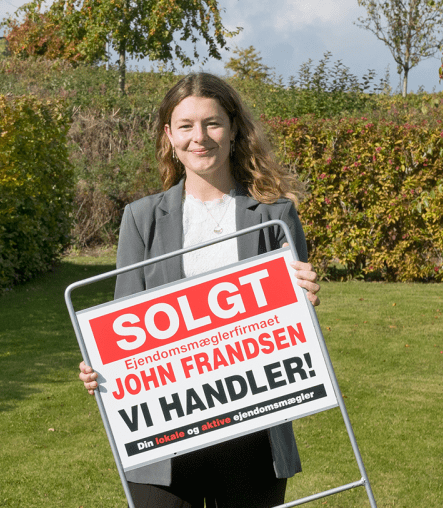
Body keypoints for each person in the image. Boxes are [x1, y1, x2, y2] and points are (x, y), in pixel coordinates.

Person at [78, 72, 320, 508]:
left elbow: (295, 329)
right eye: (186, 125)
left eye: (212, 123)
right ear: (169, 135)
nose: (200, 137)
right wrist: (102, 364)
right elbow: (123, 322)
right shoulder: (141, 218)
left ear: (233, 129)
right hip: (164, 439)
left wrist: (305, 302)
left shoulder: (275, 215)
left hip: (253, 432)